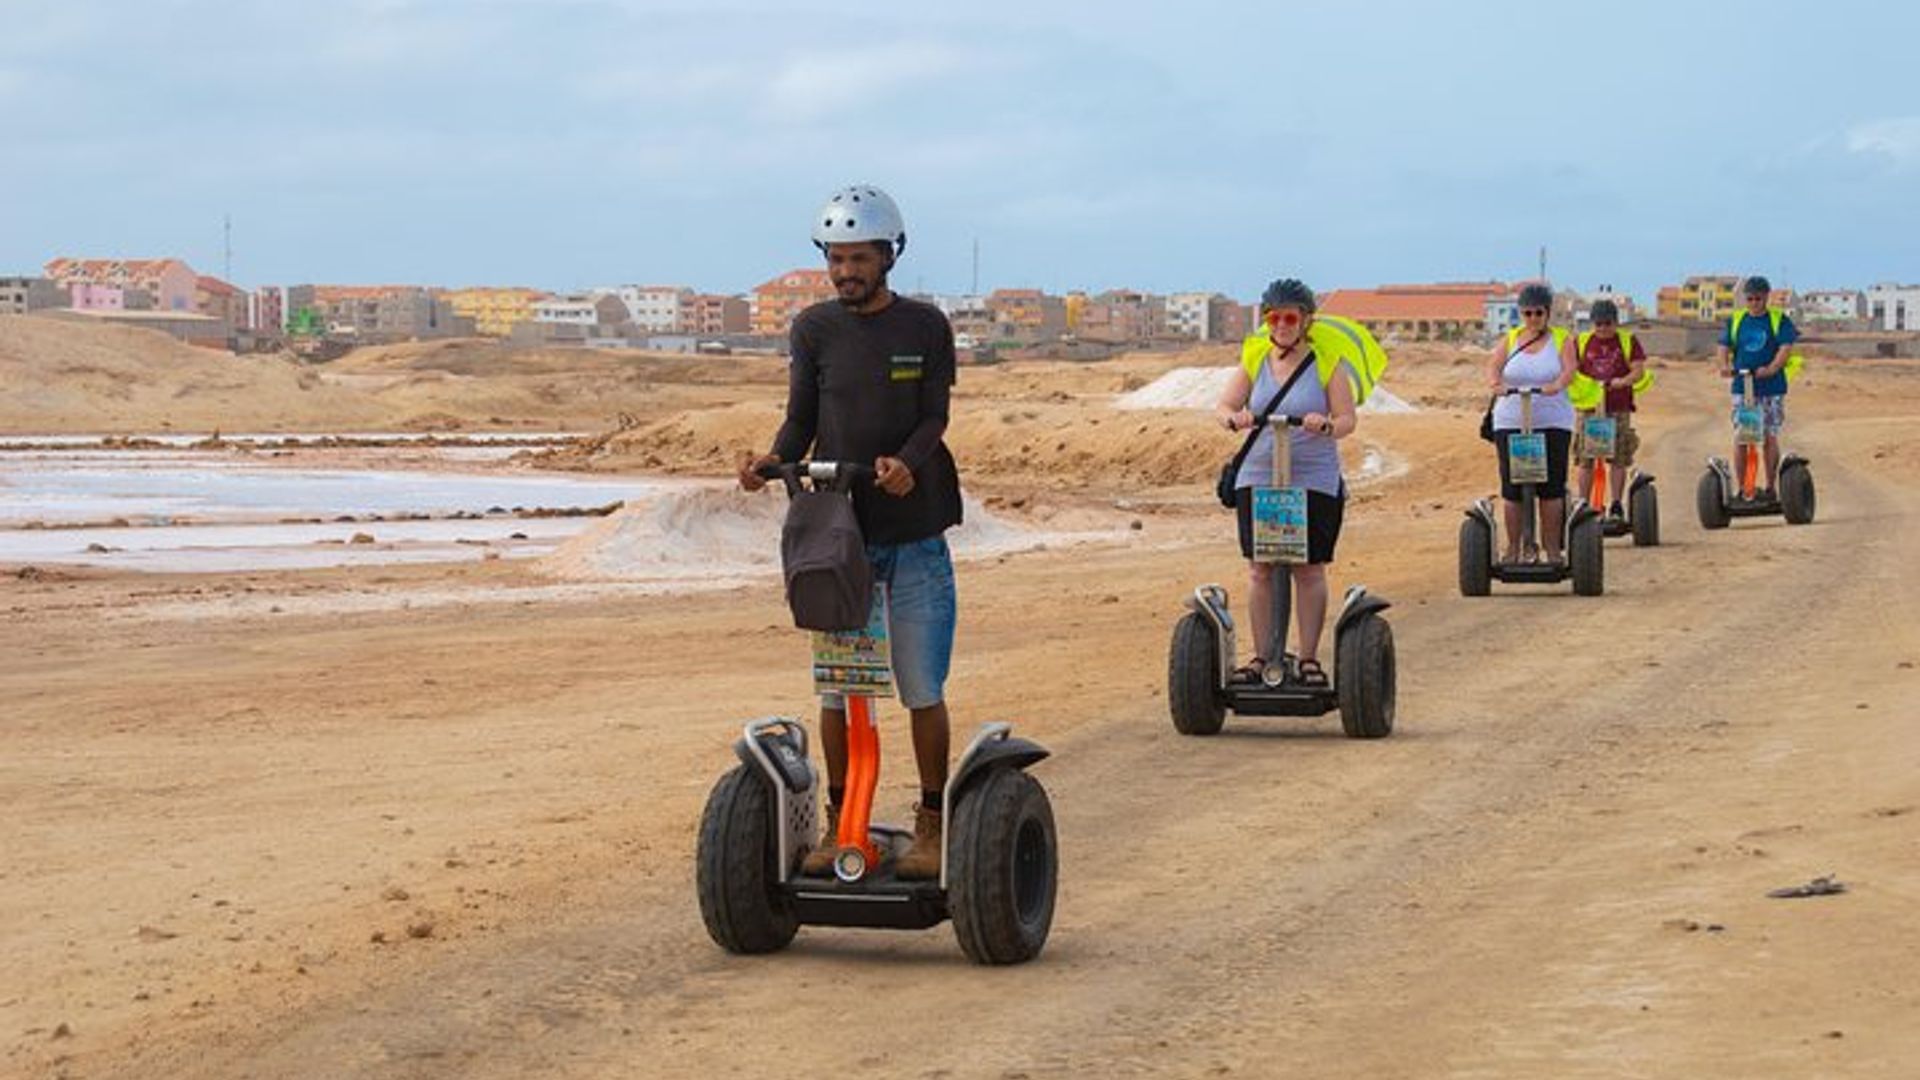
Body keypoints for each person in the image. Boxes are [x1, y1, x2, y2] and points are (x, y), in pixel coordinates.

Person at [738, 185, 962, 880]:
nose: (845, 273)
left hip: (916, 534)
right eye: (835, 259)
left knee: (919, 688)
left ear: (889, 254)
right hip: (841, 543)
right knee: (838, 690)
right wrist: (770, 462)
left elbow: (934, 417)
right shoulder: (813, 330)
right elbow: (800, 417)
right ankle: (846, 823)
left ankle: (932, 824)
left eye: (858, 258)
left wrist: (908, 465)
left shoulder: (925, 327)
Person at [1214, 278, 1359, 687]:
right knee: (1259, 568)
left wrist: (1327, 424)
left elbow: (1348, 420)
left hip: (1313, 475)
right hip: (1259, 473)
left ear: (1306, 320)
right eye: (1273, 317)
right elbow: (1224, 404)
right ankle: (1262, 658)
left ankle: (1308, 658)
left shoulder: (1327, 363)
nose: (1281, 324)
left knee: (1309, 569)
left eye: (1290, 317)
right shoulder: (1255, 358)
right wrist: (1232, 417)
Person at [1487, 282, 1577, 563]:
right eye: (1527, 313)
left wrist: (1557, 384)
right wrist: (1496, 384)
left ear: (1547, 313)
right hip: (1511, 419)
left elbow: (1570, 369)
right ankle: (1514, 549)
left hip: (1553, 421)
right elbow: (1493, 366)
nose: (1533, 318)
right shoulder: (1511, 338)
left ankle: (1551, 549)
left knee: (1551, 488)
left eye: (1538, 313)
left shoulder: (1562, 339)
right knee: (1512, 488)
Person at [1717, 275, 1799, 498]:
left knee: (1769, 435)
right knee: (1742, 436)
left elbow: (1785, 347)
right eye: (1750, 299)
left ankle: (1771, 486)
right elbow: (1723, 346)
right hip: (1742, 386)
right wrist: (1724, 366)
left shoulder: (1778, 320)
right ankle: (1744, 488)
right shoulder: (1736, 320)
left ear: (1766, 297)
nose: (1754, 303)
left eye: (1758, 299)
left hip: (1771, 387)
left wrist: (1772, 368)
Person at [1570, 299, 1648, 521]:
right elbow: (1571, 370)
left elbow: (1638, 370)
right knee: (1586, 457)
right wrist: (1585, 385)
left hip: (1618, 406)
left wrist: (1623, 381)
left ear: (1616, 322)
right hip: (1589, 408)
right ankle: (1583, 504)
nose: (1603, 328)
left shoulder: (1627, 341)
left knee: (1618, 456)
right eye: (1598, 324)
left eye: (1607, 323)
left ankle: (1615, 504)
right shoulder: (1582, 341)